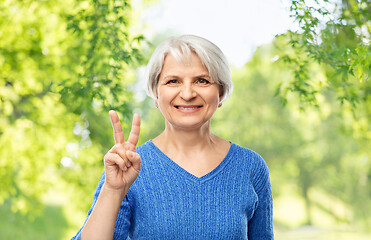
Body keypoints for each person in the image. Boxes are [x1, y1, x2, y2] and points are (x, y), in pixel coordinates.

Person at [71, 35, 274, 240]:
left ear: (220, 93)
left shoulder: (251, 166)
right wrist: (113, 190)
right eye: (173, 81)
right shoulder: (128, 165)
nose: (187, 94)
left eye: (202, 81)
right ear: (156, 94)